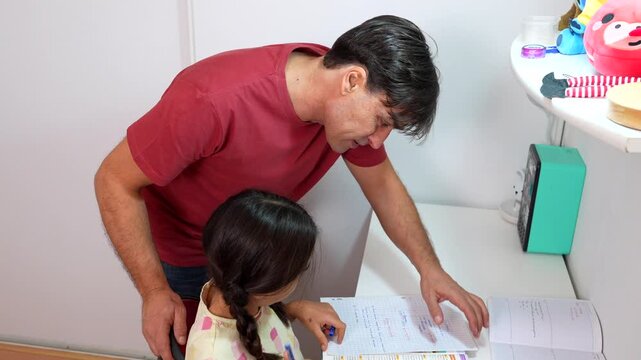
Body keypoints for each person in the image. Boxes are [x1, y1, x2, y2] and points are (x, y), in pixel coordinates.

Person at [94, 14, 488, 360]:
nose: (378, 141)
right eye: (382, 120)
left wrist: (430, 269)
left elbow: (382, 186)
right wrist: (153, 291)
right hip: (183, 257)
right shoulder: (212, 100)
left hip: (252, 257)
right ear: (353, 80)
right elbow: (113, 180)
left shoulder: (342, 116)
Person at [186, 189, 344, 359]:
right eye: (300, 270)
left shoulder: (236, 282)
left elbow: (263, 324)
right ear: (267, 286)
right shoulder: (212, 353)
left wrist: (295, 309)